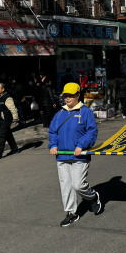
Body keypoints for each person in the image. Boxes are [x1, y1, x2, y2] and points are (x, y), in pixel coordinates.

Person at [48, 82, 102, 227]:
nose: (68, 98)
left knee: (78, 185)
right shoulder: (59, 114)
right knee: (66, 185)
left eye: (71, 95)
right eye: (66, 95)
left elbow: (92, 132)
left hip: (79, 156)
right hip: (62, 156)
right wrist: (53, 145)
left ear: (78, 95)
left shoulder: (86, 112)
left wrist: (81, 145)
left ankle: (92, 197)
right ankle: (71, 213)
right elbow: (52, 132)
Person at [0, 82, 20, 160]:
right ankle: (15, 149)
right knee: (8, 134)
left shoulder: (8, 98)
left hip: (5, 119)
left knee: (2, 135)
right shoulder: (0, 97)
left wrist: (15, 119)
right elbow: (0, 105)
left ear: (3, 89)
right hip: (0, 120)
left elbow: (13, 109)